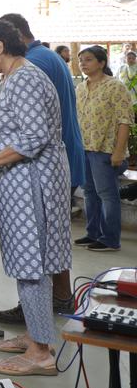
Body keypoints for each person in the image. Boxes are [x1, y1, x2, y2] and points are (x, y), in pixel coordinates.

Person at [0, 20, 71, 377]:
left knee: (30, 264)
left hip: (29, 184)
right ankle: (37, 335)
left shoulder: (26, 78)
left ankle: (40, 352)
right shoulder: (18, 77)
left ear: (0, 46)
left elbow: (33, 137)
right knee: (30, 263)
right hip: (24, 182)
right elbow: (19, 128)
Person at [0, 13, 85, 323]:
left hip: (39, 168)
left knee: (36, 248)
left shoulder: (29, 67)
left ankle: (40, 316)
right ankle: (55, 301)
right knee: (49, 242)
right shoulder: (43, 58)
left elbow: (31, 133)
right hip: (52, 159)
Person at [74, 45, 131, 252]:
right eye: (81, 60)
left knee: (107, 194)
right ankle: (93, 233)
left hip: (106, 150)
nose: (83, 64)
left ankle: (110, 239)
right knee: (89, 193)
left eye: (88, 59)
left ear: (101, 62)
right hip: (85, 149)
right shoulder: (80, 88)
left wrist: (118, 151)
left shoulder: (115, 87)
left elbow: (125, 121)